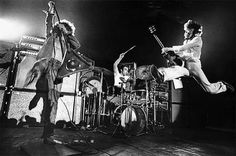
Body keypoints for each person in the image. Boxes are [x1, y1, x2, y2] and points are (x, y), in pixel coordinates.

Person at [24, 1, 81, 144]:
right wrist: (51, 12)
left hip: (57, 68)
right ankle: (36, 91)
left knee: (52, 102)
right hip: (45, 61)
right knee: (40, 72)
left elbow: (77, 45)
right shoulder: (51, 35)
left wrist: (66, 32)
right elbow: (49, 23)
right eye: (58, 27)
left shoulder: (67, 41)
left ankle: (48, 134)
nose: (58, 29)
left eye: (61, 28)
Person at [156, 19, 234, 94]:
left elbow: (183, 48)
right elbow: (183, 54)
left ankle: (223, 86)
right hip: (186, 65)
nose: (185, 34)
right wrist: (171, 57)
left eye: (188, 32)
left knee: (209, 90)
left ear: (194, 32)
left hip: (194, 66)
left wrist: (169, 49)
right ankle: (161, 74)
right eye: (185, 32)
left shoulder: (198, 40)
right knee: (177, 70)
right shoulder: (186, 40)